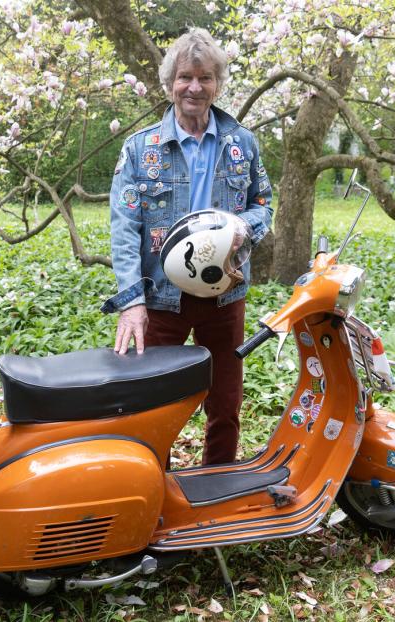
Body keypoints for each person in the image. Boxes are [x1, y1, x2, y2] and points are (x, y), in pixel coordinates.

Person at [101, 28, 273, 466]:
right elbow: (124, 228)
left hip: (225, 296)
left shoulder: (242, 145)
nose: (194, 87)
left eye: (205, 77)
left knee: (225, 405)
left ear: (218, 84)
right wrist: (131, 303)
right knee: (152, 405)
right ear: (170, 83)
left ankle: (215, 494)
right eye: (185, 77)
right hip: (160, 300)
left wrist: (242, 227)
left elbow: (263, 205)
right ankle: (151, 492)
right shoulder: (140, 151)